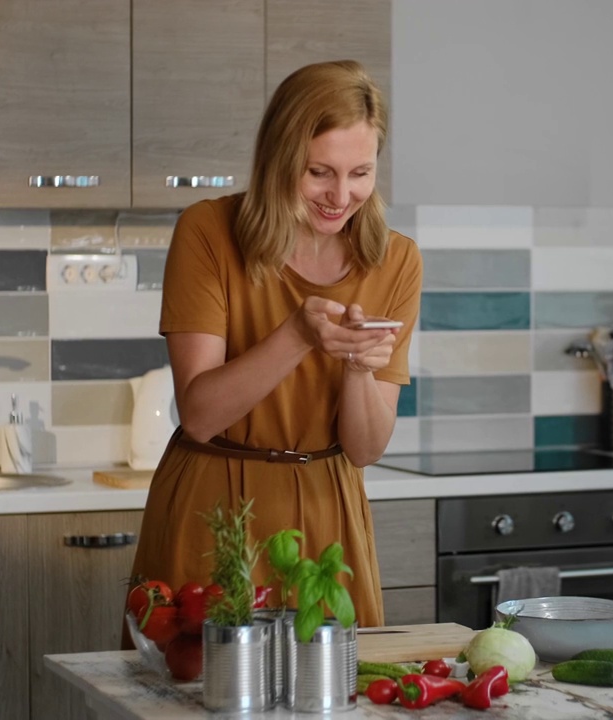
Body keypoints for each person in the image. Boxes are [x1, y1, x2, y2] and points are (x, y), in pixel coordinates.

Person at [127, 59, 421, 631]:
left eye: (360, 172)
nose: (342, 195)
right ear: (280, 158)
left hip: (327, 508)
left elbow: (364, 449)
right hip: (212, 509)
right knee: (194, 697)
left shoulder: (397, 260)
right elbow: (200, 414)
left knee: (333, 700)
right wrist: (298, 334)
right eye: (319, 172)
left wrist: (358, 365)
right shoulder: (208, 232)